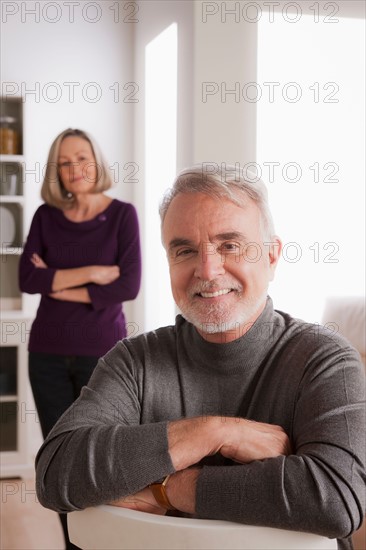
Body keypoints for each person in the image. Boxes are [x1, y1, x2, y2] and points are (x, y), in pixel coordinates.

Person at [35, 165, 365, 550]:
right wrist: (217, 432)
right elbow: (56, 473)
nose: (207, 270)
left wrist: (169, 490)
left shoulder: (325, 359)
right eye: (185, 250)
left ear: (272, 256)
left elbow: (337, 500)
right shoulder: (133, 361)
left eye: (230, 245)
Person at [19, 128, 141, 549]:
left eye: (82, 158)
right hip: (47, 353)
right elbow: (27, 277)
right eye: (65, 163)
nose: (75, 169)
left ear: (97, 160)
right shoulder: (45, 217)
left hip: (103, 354)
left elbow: (127, 286)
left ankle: (108, 540)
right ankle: (74, 542)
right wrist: (92, 272)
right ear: (56, 171)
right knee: (59, 460)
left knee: (100, 457)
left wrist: (57, 284)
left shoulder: (123, 215)